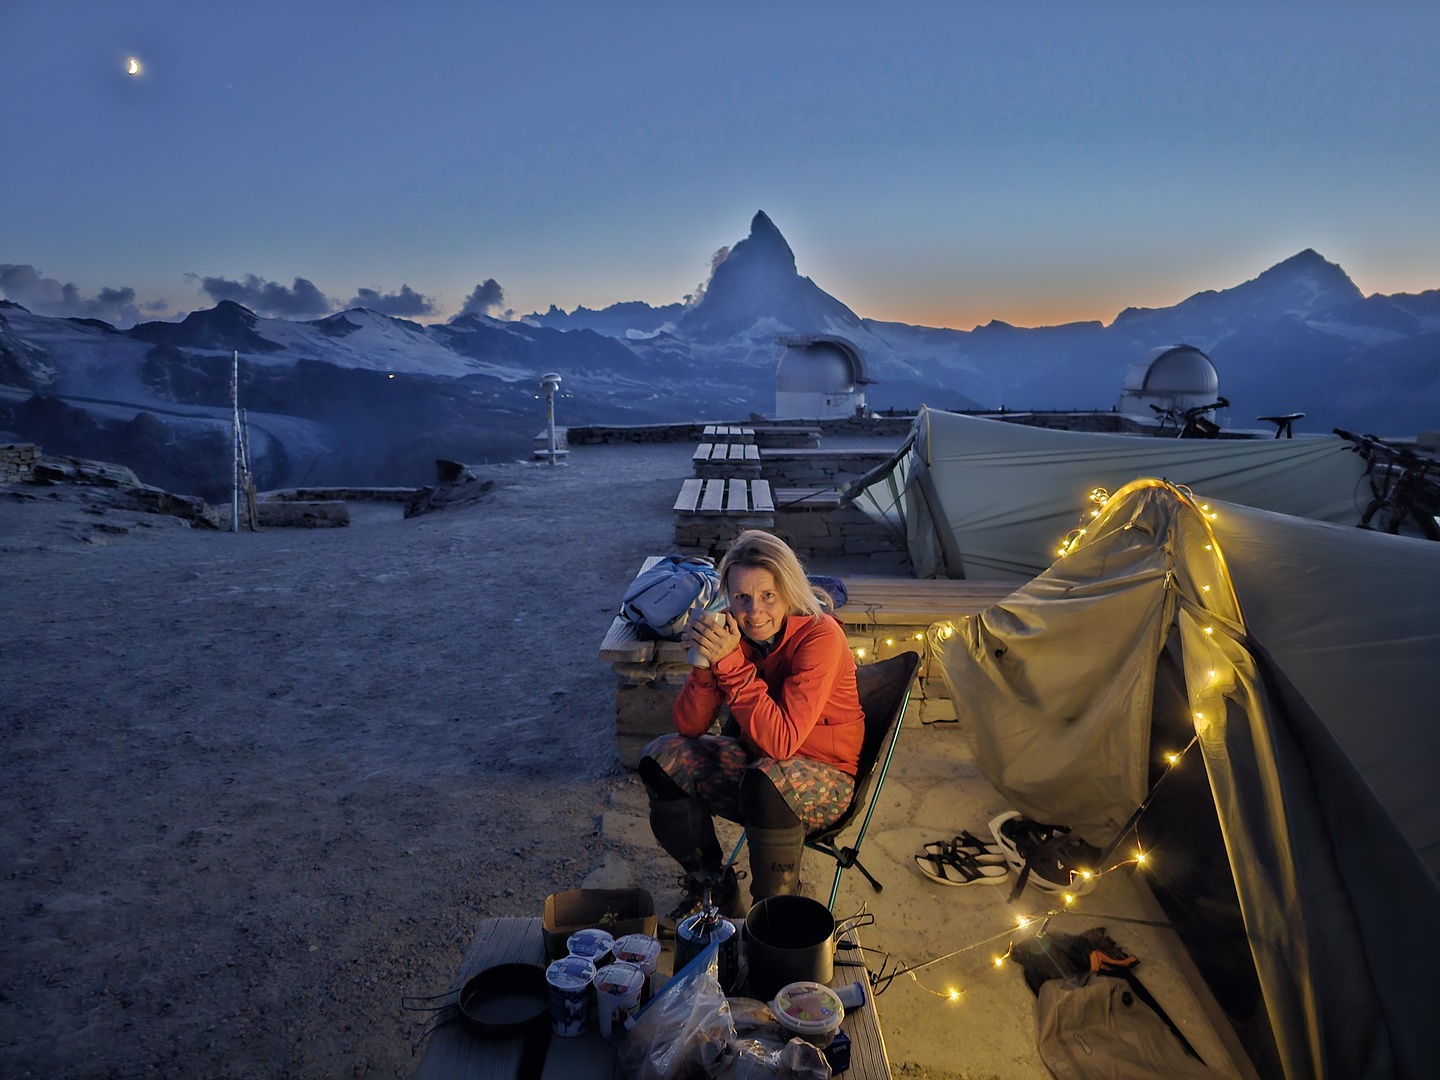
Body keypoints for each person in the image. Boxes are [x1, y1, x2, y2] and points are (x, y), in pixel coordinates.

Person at [638, 530, 865, 920]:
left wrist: (728, 664)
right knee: (662, 759)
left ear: (789, 592)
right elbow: (690, 727)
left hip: (827, 779)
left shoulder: (821, 636)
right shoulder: (732, 630)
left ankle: (771, 915)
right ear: (728, 595)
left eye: (768, 596)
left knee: (766, 781)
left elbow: (782, 742)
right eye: (741, 597)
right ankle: (713, 885)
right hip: (758, 764)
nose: (753, 611)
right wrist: (705, 664)